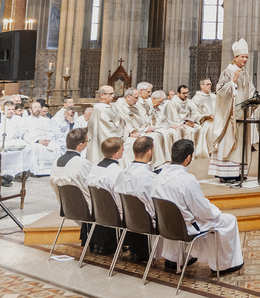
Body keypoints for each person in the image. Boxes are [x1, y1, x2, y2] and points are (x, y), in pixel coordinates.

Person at [152, 139, 244, 274]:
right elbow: (202, 210)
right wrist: (215, 212)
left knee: (183, 216)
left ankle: (174, 258)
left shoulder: (158, 176)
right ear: (188, 158)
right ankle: (226, 265)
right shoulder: (187, 179)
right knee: (229, 220)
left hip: (165, 225)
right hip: (185, 228)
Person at [211, 39, 255, 183]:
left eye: (246, 57)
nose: (245, 59)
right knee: (229, 143)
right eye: (242, 57)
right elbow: (219, 92)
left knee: (241, 144)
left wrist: (254, 99)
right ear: (235, 57)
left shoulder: (246, 74)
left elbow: (250, 90)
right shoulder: (227, 72)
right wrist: (233, 82)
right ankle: (226, 174)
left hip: (242, 114)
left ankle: (238, 172)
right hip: (230, 115)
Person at [113, 135, 156, 264]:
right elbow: (155, 205)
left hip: (128, 220)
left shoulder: (121, 174)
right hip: (146, 223)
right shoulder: (149, 177)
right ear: (149, 152)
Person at [88, 85, 127, 164]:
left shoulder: (110, 107)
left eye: (113, 93)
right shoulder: (100, 110)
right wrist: (126, 135)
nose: (113, 96)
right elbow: (109, 130)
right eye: (110, 94)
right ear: (102, 95)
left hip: (119, 134)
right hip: (104, 141)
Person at [22, 100, 62, 176]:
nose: (38, 109)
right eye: (35, 107)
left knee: (56, 146)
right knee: (36, 148)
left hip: (46, 140)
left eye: (39, 107)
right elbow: (25, 134)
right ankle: (38, 171)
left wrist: (48, 140)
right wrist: (38, 141)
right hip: (34, 141)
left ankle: (53, 170)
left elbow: (51, 131)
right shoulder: (25, 120)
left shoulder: (46, 120)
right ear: (30, 110)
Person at [189, 78, 216, 157]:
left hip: (216, 119)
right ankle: (212, 150)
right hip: (205, 121)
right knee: (211, 127)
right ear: (202, 86)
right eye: (207, 84)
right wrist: (207, 117)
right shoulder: (197, 98)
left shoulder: (214, 97)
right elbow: (195, 113)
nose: (209, 86)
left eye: (210, 84)